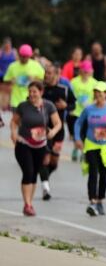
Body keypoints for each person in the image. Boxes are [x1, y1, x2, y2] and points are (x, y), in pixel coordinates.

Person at [10, 81, 62, 216]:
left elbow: (57, 123)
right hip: (23, 144)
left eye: (35, 91)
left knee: (33, 174)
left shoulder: (48, 106)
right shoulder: (23, 106)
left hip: (40, 145)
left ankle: (29, 203)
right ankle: (27, 204)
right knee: (28, 171)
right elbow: (14, 122)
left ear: (41, 92)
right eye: (30, 91)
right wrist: (14, 133)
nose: (32, 94)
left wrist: (53, 132)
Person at [74, 81, 106, 216]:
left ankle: (100, 201)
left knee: (104, 174)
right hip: (92, 144)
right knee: (93, 172)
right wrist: (78, 139)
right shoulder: (89, 109)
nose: (98, 95)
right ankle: (92, 201)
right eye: (96, 92)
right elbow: (78, 123)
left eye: (100, 92)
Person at [40, 64, 75, 200]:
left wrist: (66, 106)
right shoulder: (40, 89)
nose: (46, 75)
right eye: (45, 73)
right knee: (45, 158)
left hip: (58, 130)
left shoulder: (64, 90)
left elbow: (74, 105)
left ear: (56, 75)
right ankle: (45, 187)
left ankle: (45, 176)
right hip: (42, 130)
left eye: (49, 73)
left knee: (53, 162)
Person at [68, 60, 99, 161]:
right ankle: (76, 148)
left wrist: (93, 105)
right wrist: (70, 108)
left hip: (88, 113)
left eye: (87, 71)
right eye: (84, 71)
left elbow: (97, 97)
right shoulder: (73, 82)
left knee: (85, 133)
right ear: (80, 71)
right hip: (75, 112)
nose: (85, 74)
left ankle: (83, 151)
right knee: (75, 133)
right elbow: (69, 96)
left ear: (91, 72)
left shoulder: (94, 83)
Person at [3, 44, 45, 110]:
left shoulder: (36, 65)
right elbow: (5, 81)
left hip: (31, 100)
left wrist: (34, 79)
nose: (24, 58)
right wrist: (11, 80)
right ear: (19, 55)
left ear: (30, 56)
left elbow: (43, 80)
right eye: (22, 56)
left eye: (26, 57)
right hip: (16, 101)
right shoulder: (12, 66)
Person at [0, 37, 16, 110]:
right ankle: (3, 105)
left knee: (11, 89)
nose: (7, 46)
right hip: (2, 73)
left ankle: (9, 104)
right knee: (3, 90)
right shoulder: (1, 52)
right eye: (6, 45)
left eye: (8, 45)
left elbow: (17, 61)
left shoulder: (14, 52)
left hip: (11, 73)